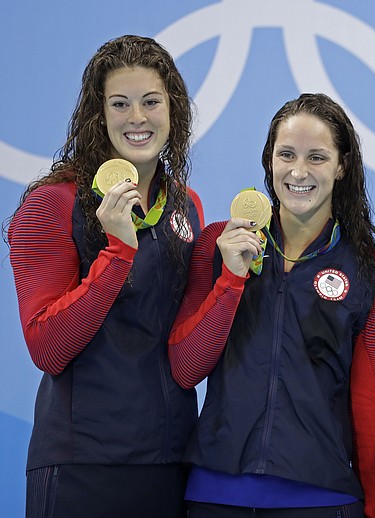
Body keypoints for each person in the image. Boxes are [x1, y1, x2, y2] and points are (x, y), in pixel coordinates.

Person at [168, 93, 375, 518]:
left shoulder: (369, 272)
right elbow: (185, 367)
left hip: (321, 498)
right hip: (216, 494)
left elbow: (371, 407)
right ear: (268, 160)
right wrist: (231, 280)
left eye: (317, 157)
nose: (298, 171)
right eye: (287, 154)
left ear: (342, 166)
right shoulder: (219, 245)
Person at [7, 35, 204, 517]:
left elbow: (186, 352)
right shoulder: (53, 203)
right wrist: (117, 251)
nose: (137, 117)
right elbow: (47, 347)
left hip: (169, 460)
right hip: (83, 464)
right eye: (120, 104)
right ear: (100, 115)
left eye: (151, 102)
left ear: (173, 110)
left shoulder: (186, 205)